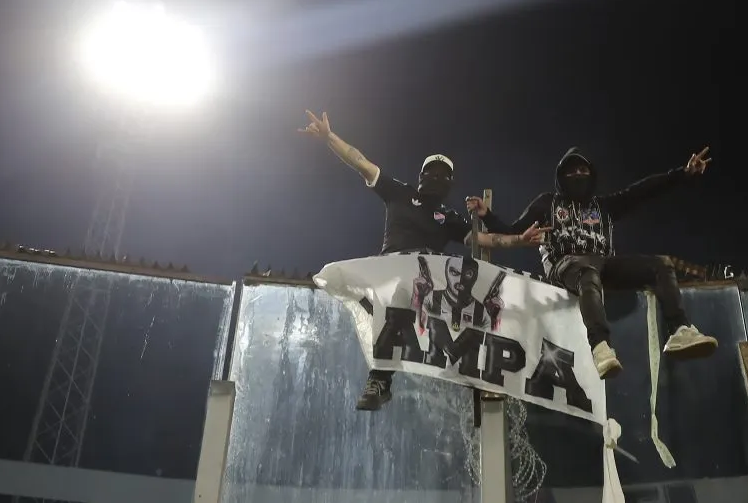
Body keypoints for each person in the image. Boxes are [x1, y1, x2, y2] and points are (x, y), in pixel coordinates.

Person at [299, 110, 548, 410]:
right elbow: (360, 161)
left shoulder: (449, 217)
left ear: (450, 183)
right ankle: (381, 379)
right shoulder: (399, 192)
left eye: (444, 174)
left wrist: (520, 240)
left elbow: (484, 240)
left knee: (463, 305)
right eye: (432, 171)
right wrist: (329, 138)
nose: (437, 177)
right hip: (391, 276)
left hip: (427, 287)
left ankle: (475, 373)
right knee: (398, 304)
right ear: (421, 175)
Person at [469, 146, 718, 380]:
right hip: (565, 265)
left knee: (662, 264)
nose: (578, 174)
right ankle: (600, 346)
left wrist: (682, 174)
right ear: (561, 176)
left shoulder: (603, 206)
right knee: (587, 272)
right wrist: (487, 216)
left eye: (583, 170)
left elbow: (642, 191)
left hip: (603, 262)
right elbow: (513, 229)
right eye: (572, 171)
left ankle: (680, 330)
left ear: (592, 175)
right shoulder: (548, 203)